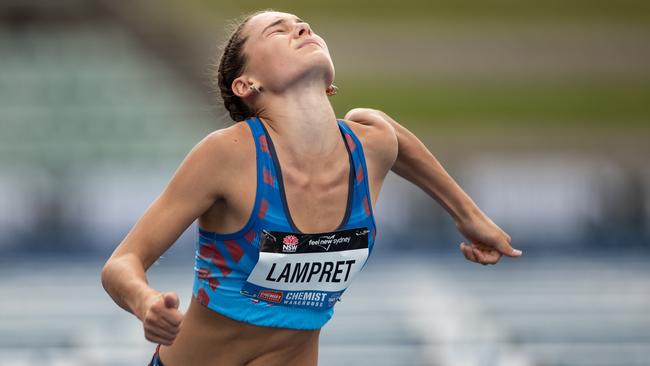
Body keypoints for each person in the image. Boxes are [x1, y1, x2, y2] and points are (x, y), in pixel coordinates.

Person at [100, 9, 523, 366]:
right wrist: (146, 304)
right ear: (247, 84)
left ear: (328, 83)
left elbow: (393, 135)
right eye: (278, 30)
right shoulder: (229, 155)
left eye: (304, 25)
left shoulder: (370, 147)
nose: (302, 29)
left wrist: (469, 217)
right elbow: (121, 263)